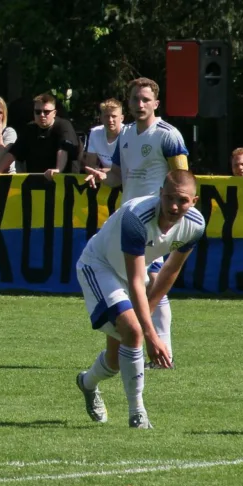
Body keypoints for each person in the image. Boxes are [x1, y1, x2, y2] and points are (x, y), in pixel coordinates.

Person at [74, 171, 205, 429]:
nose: (174, 206)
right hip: (100, 267)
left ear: (194, 201)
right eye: (169, 198)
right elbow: (135, 280)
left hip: (132, 273)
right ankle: (138, 415)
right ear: (160, 194)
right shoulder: (137, 218)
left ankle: (86, 383)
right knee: (133, 332)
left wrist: (148, 314)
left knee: (114, 361)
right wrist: (150, 334)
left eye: (182, 200)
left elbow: (170, 270)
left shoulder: (195, 225)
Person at [84, 78, 189, 368]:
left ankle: (162, 349)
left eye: (145, 99)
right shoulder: (126, 135)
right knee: (147, 283)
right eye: (134, 99)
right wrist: (103, 177)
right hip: (130, 220)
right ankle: (148, 348)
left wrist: (174, 213)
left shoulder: (168, 135)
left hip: (158, 220)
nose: (139, 104)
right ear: (128, 103)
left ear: (156, 103)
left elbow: (182, 180)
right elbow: (118, 175)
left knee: (154, 281)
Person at [0, 93, 78, 181]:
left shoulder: (64, 126)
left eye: (46, 112)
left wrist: (58, 169)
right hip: (37, 182)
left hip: (64, 181)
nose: (42, 115)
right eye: (38, 112)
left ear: (54, 113)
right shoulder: (30, 128)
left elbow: (63, 149)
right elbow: (13, 152)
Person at [83, 99, 124, 171]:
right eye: (107, 116)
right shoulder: (95, 133)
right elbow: (90, 166)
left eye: (114, 116)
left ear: (121, 118)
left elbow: (131, 169)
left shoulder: (129, 134)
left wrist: (106, 171)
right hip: (103, 178)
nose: (110, 120)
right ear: (101, 118)